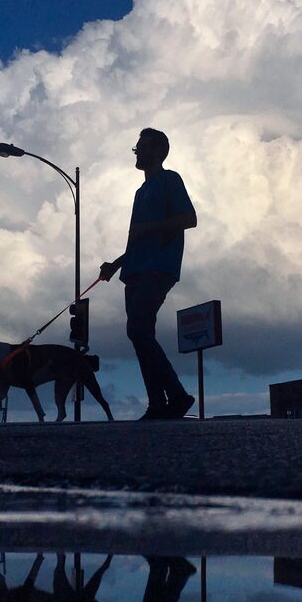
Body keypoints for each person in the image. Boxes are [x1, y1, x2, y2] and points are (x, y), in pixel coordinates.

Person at [100, 129, 197, 420]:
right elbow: (136, 240)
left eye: (141, 147)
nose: (137, 152)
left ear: (157, 151)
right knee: (140, 333)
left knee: (138, 330)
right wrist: (116, 264)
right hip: (135, 270)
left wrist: (150, 228)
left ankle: (176, 396)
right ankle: (157, 403)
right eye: (136, 147)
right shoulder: (140, 192)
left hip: (158, 266)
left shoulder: (170, 179)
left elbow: (188, 219)